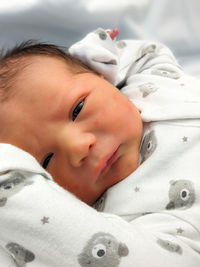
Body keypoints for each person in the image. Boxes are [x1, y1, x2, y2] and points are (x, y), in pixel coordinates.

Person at [0, 29, 199, 267]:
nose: (78, 148)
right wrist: (10, 186)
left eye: (77, 109)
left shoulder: (149, 82)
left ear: (101, 77)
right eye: (45, 161)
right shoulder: (117, 225)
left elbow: (148, 53)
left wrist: (98, 53)